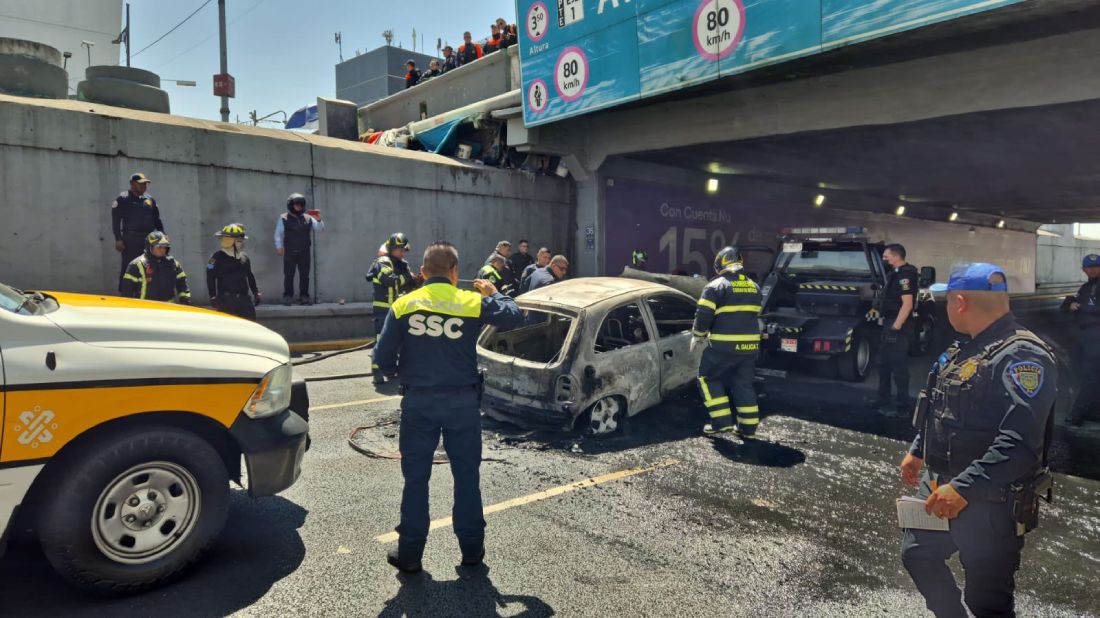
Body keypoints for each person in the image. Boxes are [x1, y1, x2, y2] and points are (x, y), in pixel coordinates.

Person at [900, 263, 1057, 618]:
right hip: (940, 485)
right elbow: (941, 408)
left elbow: (1019, 444)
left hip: (988, 501)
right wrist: (917, 451)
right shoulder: (965, 349)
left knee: (986, 601)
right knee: (917, 553)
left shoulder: (1022, 356)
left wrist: (964, 488)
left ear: (960, 302)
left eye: (947, 302)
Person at [373, 241, 523, 573]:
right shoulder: (470, 301)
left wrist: (409, 369)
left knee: (416, 480)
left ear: (422, 272)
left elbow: (381, 359)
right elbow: (514, 315)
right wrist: (493, 292)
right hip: (462, 404)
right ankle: (471, 551)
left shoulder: (404, 304)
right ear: (455, 272)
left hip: (419, 404)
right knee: (466, 477)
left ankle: (410, 554)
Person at [691, 246, 763, 436]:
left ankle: (721, 423)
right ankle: (748, 428)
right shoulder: (754, 286)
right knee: (743, 384)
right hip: (749, 348)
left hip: (723, 347)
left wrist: (698, 335)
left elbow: (703, 314)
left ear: (720, 263)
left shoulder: (715, 286)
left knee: (707, 379)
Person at [367, 233, 421, 384]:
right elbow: (390, 281)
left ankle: (391, 371)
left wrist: (418, 280)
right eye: (400, 250)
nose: (402, 253)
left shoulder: (402, 264)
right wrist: (408, 277)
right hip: (383, 310)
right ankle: (377, 372)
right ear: (391, 248)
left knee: (399, 342)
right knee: (381, 342)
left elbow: (407, 285)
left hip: (399, 310)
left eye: (404, 250)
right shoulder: (382, 262)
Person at [876, 244, 920, 416]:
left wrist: (896, 327)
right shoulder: (894, 273)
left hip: (897, 325)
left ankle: (903, 407)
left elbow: (907, 304)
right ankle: (883, 401)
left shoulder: (906, 274)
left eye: (886, 256)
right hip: (889, 323)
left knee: (898, 367)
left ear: (896, 256)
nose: (884, 259)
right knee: (883, 365)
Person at [111, 173, 164, 293]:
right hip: (131, 239)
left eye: (146, 184)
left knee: (149, 266)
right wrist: (118, 239)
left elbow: (157, 220)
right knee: (129, 266)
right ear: (133, 184)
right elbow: (116, 221)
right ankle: (125, 294)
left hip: (149, 240)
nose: (145, 186)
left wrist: (163, 236)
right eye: (141, 184)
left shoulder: (150, 200)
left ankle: (145, 293)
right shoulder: (123, 199)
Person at [1067, 253, 1100, 425]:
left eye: (1097, 267)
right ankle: (1093, 412)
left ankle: (1077, 413)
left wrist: (1080, 307)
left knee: (1090, 375)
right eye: (1090, 267)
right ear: (1084, 269)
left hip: (1096, 338)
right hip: (1087, 339)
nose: (1093, 270)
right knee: (1091, 375)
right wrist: (1070, 304)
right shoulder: (1086, 287)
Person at [275, 192, 324, 306]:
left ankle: (304, 296)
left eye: (300, 205)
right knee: (289, 275)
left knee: (304, 276)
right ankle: (287, 296)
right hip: (289, 252)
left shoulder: (308, 218)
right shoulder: (283, 218)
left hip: (304, 252)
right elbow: (278, 233)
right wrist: (279, 247)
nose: (298, 207)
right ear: (291, 205)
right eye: (296, 204)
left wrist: (319, 219)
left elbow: (319, 229)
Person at [207, 223, 261, 320]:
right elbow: (210, 277)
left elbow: (250, 275)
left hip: (244, 300)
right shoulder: (215, 258)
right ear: (230, 241)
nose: (242, 243)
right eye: (239, 241)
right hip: (226, 301)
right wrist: (213, 296)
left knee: (250, 327)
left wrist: (256, 292)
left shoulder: (244, 257)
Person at [120, 231, 191, 304]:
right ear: (150, 247)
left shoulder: (173, 264)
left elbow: (182, 284)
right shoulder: (136, 265)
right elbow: (127, 291)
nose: (162, 250)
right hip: (145, 309)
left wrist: (185, 300)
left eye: (164, 247)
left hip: (168, 309)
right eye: (159, 247)